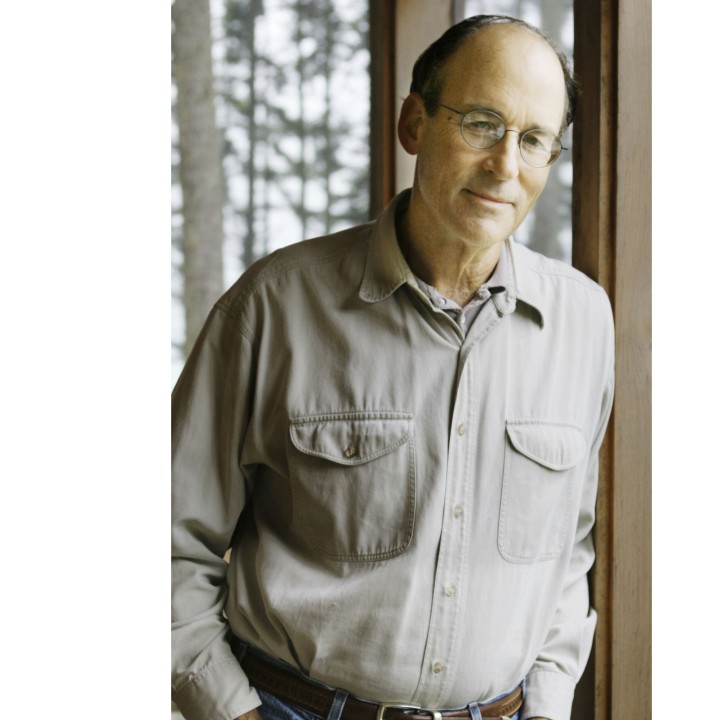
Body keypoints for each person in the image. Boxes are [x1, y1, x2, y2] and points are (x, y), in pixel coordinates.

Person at [172, 14, 615, 720]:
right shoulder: (273, 306)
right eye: (481, 124)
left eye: (533, 140)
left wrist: (548, 702)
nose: (505, 165)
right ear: (414, 123)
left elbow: (567, 555)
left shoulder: (584, 323)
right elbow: (169, 545)